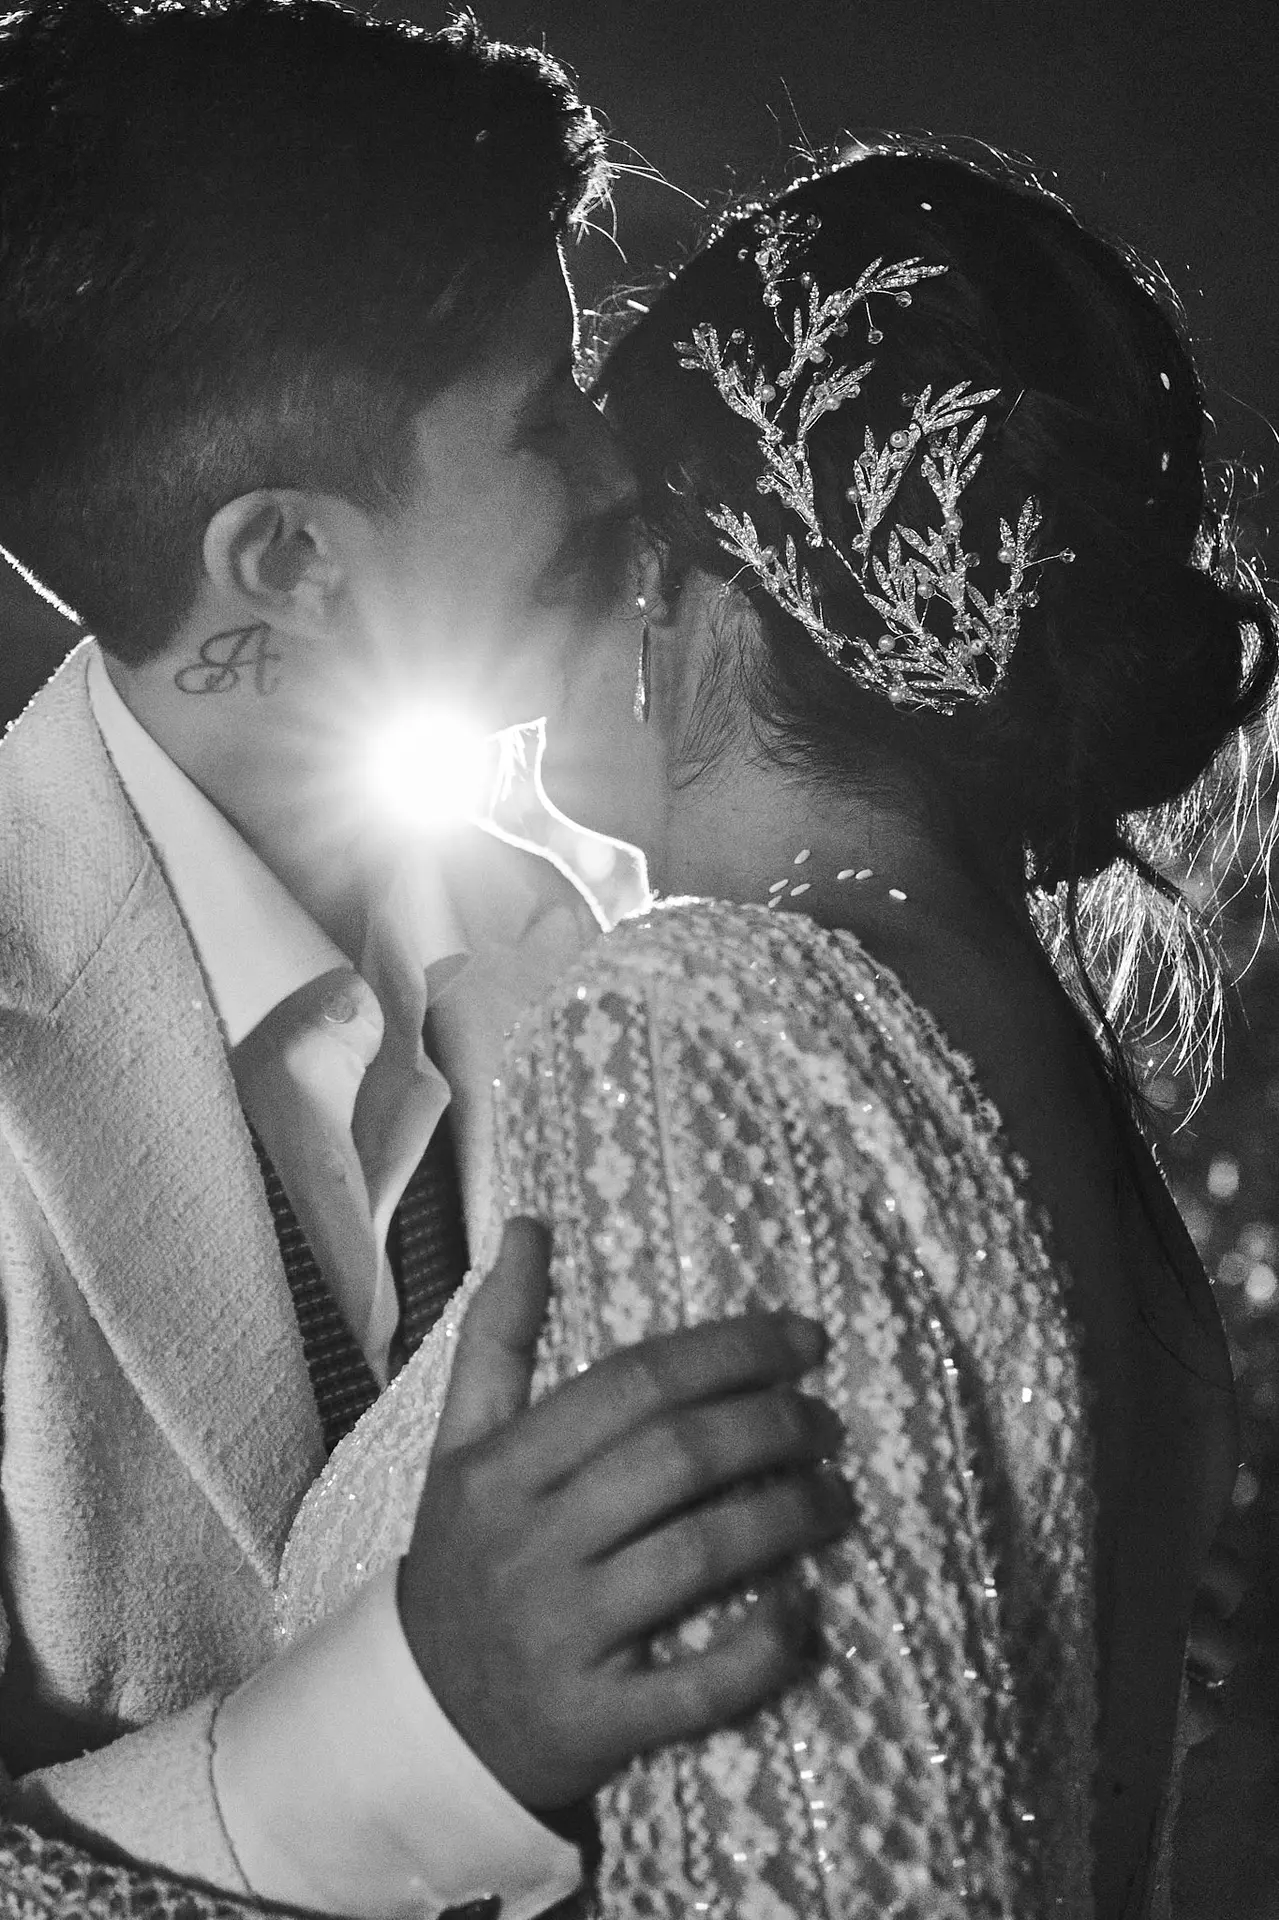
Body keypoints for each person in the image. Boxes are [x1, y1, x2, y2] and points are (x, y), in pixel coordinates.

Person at [275, 145, 1277, 1918]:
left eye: (593, 541)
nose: (533, 625)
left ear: (693, 582)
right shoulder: (1045, 1075)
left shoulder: (706, 1020)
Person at [0, 4, 854, 1914]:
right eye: (540, 413)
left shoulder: (580, 933)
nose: (625, 472)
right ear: (289, 561)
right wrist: (436, 1718)